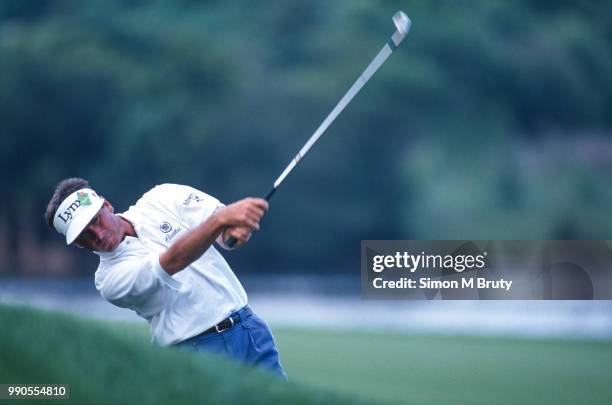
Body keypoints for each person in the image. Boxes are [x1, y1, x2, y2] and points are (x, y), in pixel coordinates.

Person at [45, 177, 286, 379]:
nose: (96, 234)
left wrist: (235, 229)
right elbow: (172, 261)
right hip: (196, 351)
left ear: (106, 205)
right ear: (77, 244)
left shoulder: (160, 198)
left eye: (96, 221)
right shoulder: (108, 280)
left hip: (249, 329)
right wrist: (222, 221)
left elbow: (223, 232)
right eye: (84, 235)